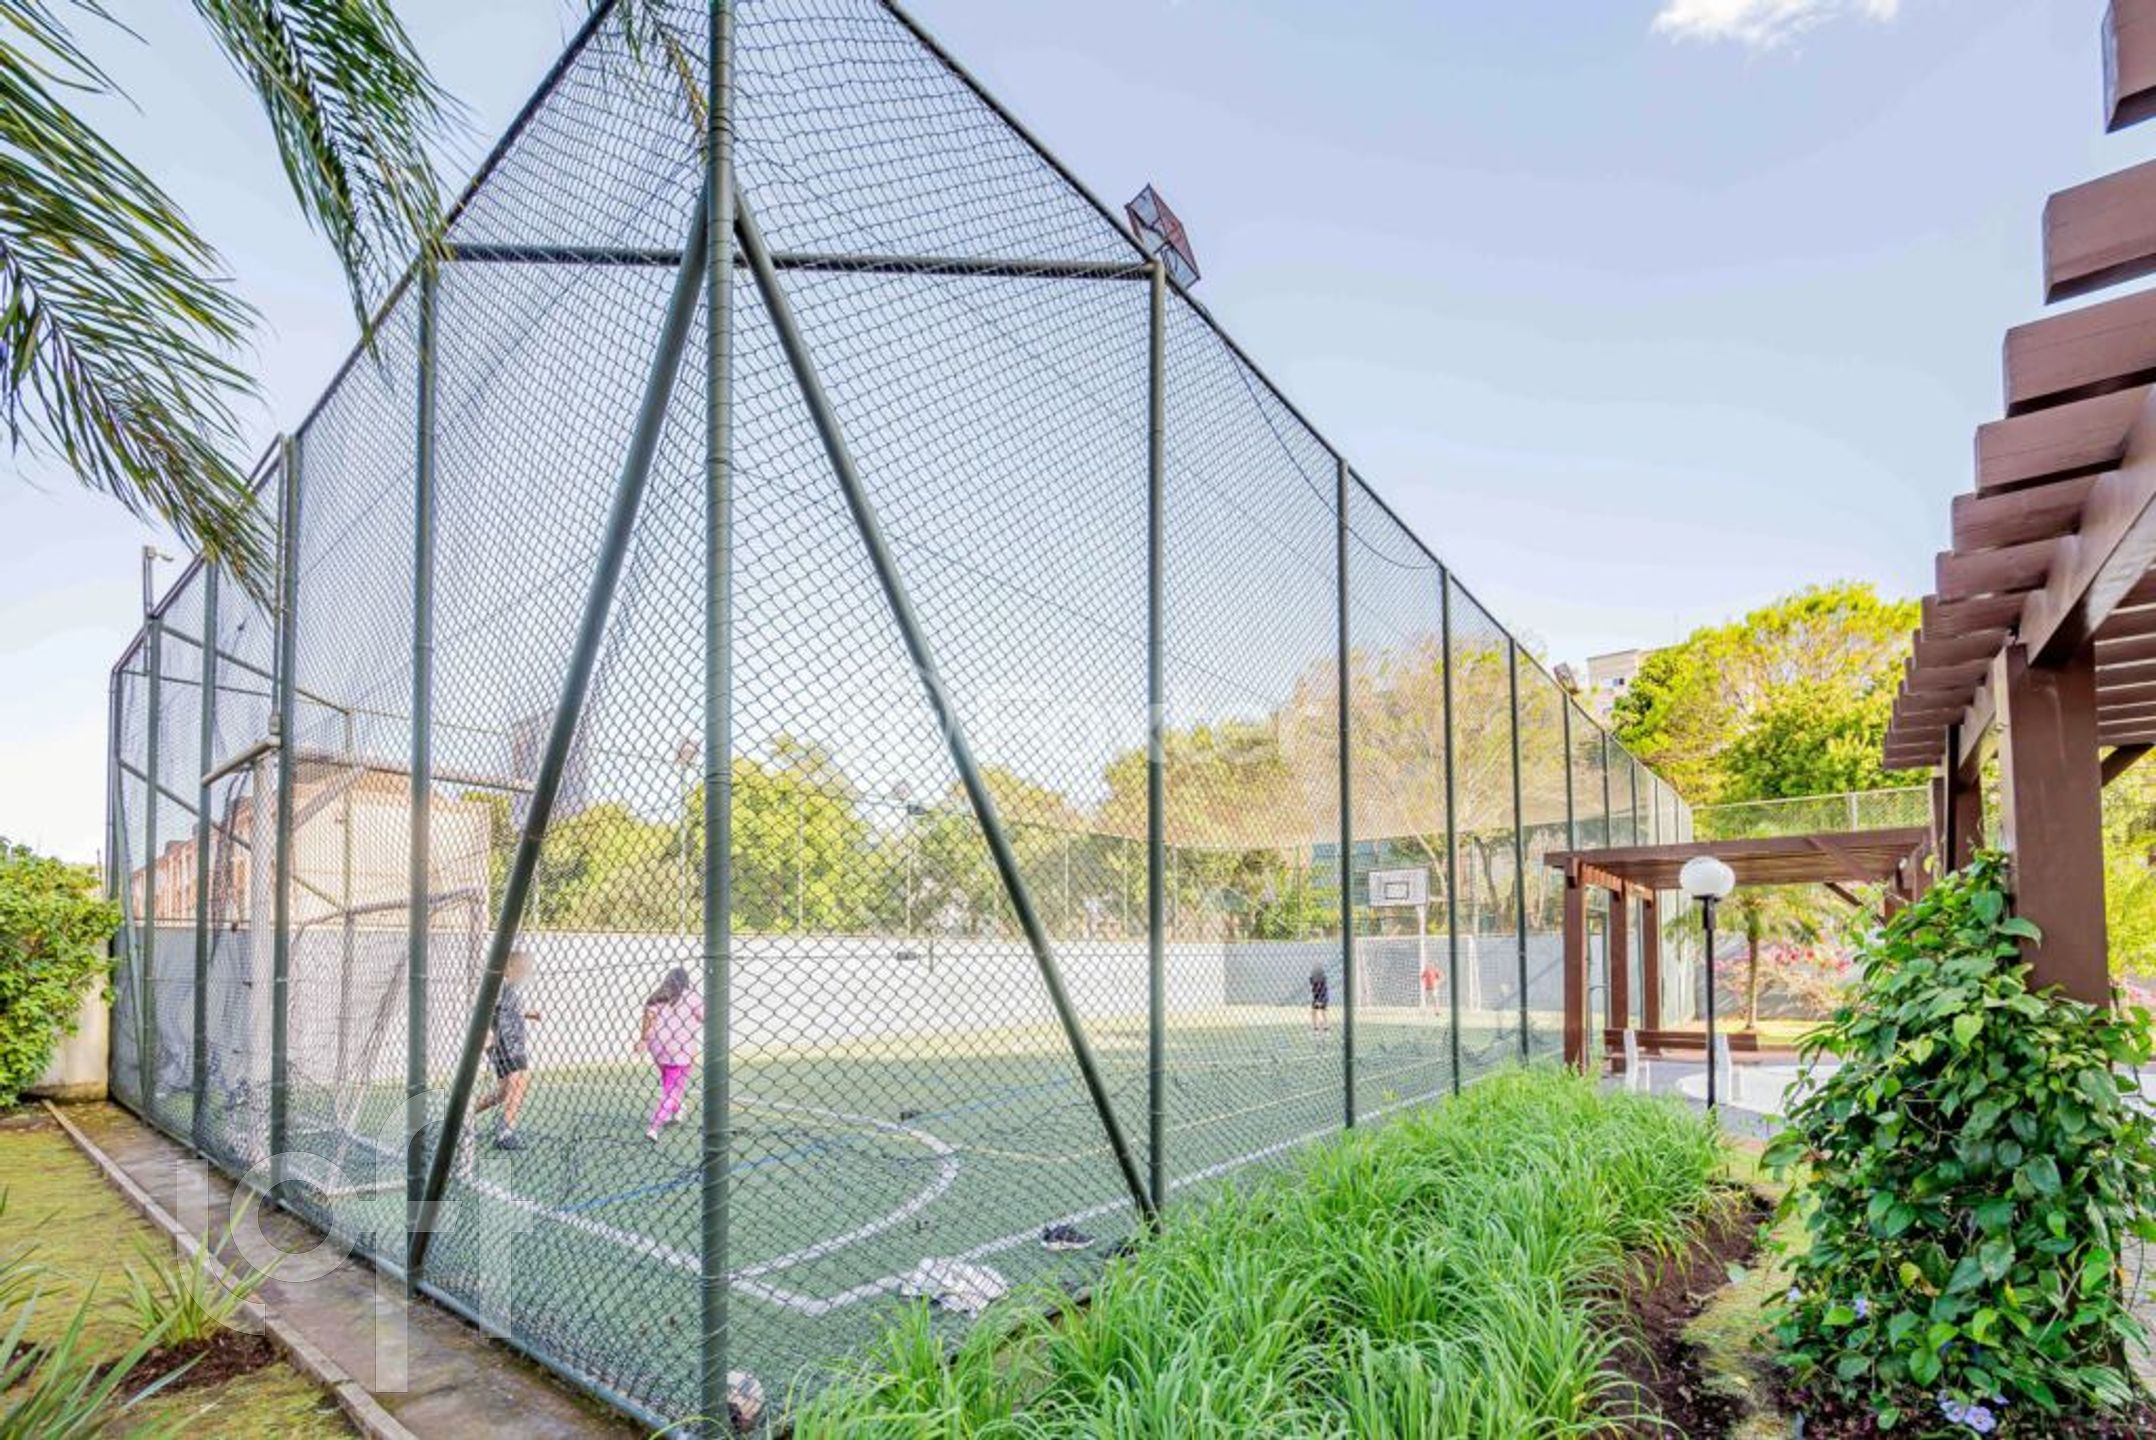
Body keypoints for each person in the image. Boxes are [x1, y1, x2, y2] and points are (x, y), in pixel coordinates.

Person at [473, 947, 540, 1150]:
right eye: (520, 967)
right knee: (520, 1079)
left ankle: (462, 1118)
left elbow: (506, 1009)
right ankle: (506, 1131)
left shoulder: (509, 988)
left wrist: (528, 1013)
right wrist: (486, 1035)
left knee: (503, 1092)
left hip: (512, 1043)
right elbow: (486, 1010)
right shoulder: (498, 986)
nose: (525, 971)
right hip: (505, 1043)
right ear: (508, 968)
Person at [639, 964, 704, 1142]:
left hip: (658, 1046)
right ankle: (654, 1127)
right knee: (673, 1090)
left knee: (669, 1082)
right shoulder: (691, 996)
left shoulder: (658, 997)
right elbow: (704, 1017)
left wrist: (643, 1039)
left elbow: (648, 1019)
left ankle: (677, 1108)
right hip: (681, 1048)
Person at [1309, 963, 1329, 1034]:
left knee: (1321, 1012)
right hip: (1317, 997)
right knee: (1315, 1012)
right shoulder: (1314, 978)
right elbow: (1312, 982)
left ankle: (1324, 1029)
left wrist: (1319, 1000)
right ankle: (1318, 1029)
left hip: (1322, 997)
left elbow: (1322, 989)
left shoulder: (1322, 979)